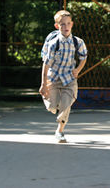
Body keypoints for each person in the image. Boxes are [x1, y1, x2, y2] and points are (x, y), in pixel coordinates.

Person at [39, 10, 88, 143]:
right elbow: (46, 64)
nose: (65, 27)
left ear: (72, 24)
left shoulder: (78, 42)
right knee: (52, 107)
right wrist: (44, 84)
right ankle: (51, 104)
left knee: (66, 105)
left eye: (68, 24)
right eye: (62, 24)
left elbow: (84, 57)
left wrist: (78, 69)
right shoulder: (53, 44)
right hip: (53, 78)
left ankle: (60, 131)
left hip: (69, 79)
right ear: (57, 26)